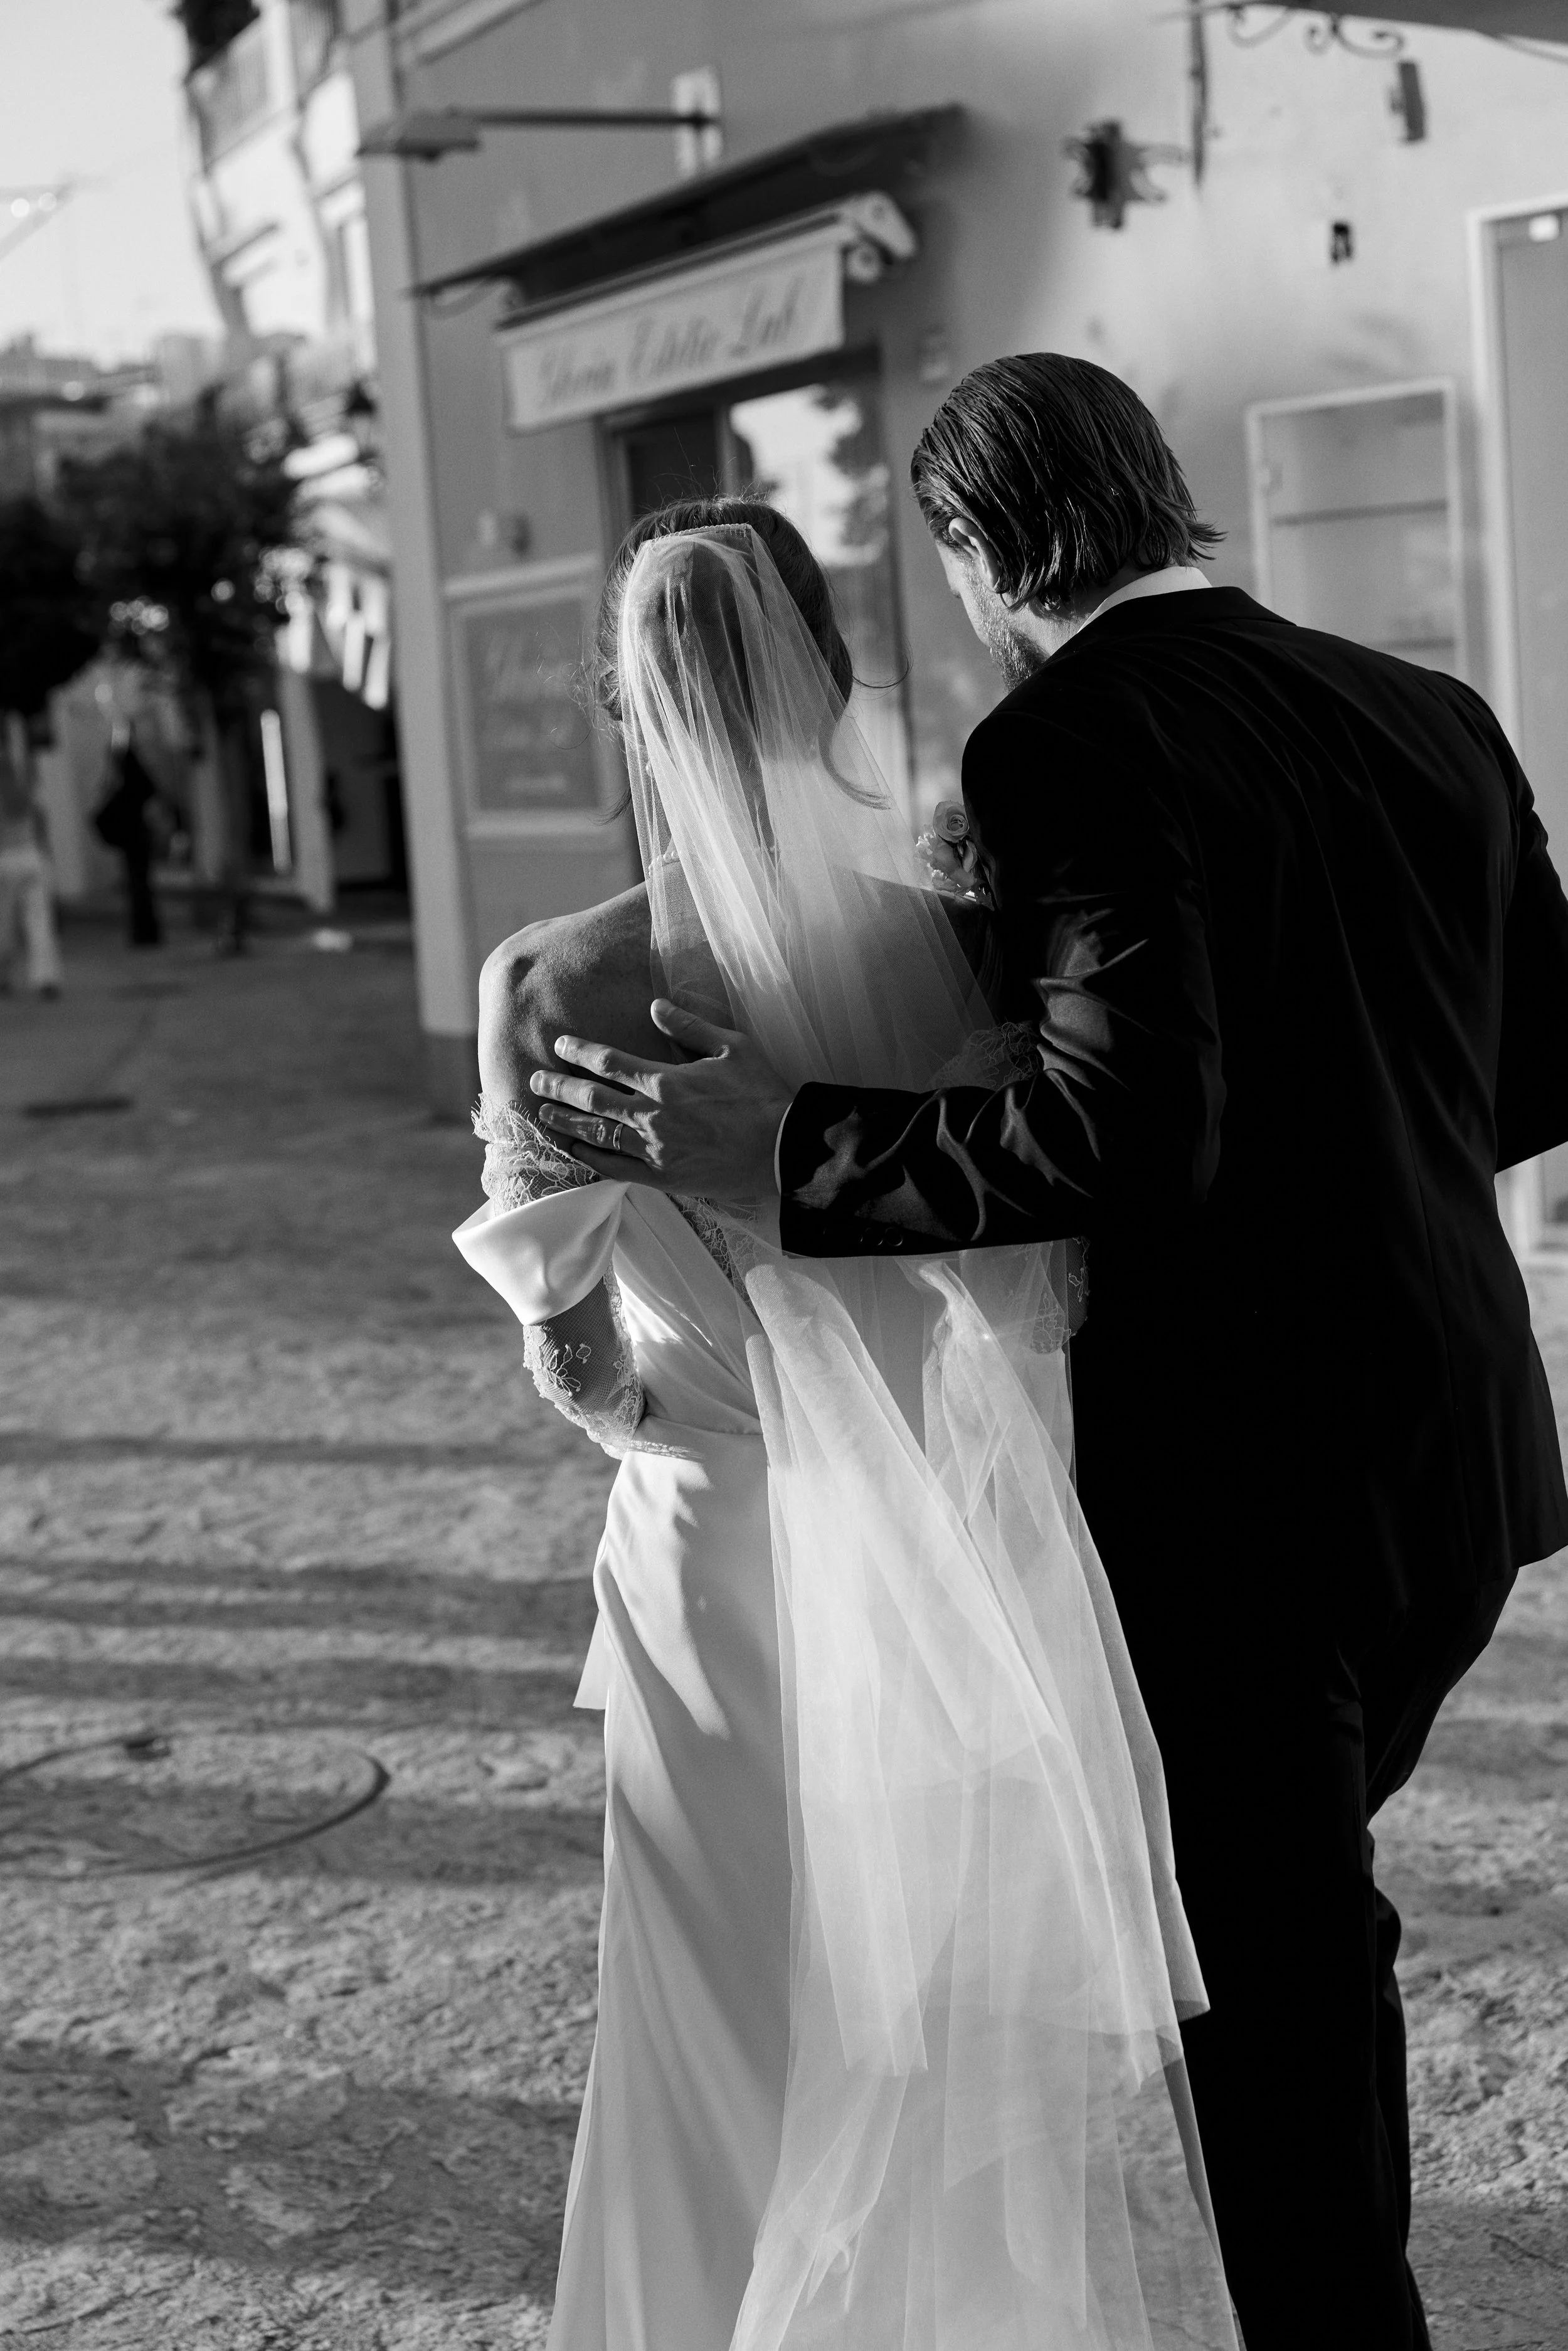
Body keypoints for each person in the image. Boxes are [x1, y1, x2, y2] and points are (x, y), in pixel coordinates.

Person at [518, 359, 1568, 2351]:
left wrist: (791, 1149)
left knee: (1268, 1998)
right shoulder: (1430, 710)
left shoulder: (1060, 744)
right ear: (1160, 494)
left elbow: (1120, 1129)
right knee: (1298, 1927)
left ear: (977, 545)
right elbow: (1540, 1063)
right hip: (1457, 1455)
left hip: (1243, 1481)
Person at [459, 503, 1237, 2351]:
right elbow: (1037, 1251)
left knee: (717, 2016)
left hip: (708, 1565)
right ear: (826, 679)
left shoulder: (547, 988)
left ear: (627, 709)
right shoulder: (951, 957)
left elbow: (571, 1367)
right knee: (922, 2029)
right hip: (943, 1576)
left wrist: (675, 1415)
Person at [0, 729, 63, 998]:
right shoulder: (26, 790)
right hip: (31, 856)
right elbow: (42, 823)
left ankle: (4, 975)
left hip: (4, 858)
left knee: (4, 922)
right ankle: (45, 977)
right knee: (39, 921)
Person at [92, 723, 164, 948]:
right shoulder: (128, 774)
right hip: (136, 833)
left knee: (138, 883)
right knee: (139, 883)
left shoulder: (127, 775)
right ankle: (145, 930)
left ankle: (144, 931)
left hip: (133, 834)